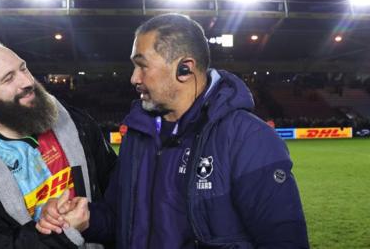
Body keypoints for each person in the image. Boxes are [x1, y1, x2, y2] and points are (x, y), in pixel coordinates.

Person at [39, 13, 309, 248]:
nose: (134, 78)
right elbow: (120, 220)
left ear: (184, 69)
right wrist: (87, 218)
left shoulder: (248, 138)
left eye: (142, 65)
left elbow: (284, 241)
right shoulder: (138, 135)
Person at [0, 42, 116, 249]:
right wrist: (64, 234)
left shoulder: (77, 125)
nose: (27, 81)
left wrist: (91, 218)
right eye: (8, 78)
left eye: (23, 68)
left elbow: (117, 195)